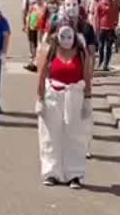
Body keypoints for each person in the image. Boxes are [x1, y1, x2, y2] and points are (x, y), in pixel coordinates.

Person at [35, 14, 93, 188]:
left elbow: (87, 76)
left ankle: (74, 174)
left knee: (75, 135)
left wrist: (88, 99)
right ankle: (51, 172)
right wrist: (39, 98)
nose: (66, 40)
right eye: (62, 36)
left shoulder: (81, 52)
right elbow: (41, 74)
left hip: (75, 96)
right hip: (53, 95)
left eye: (69, 36)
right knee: (50, 135)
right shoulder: (49, 50)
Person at [94, 0, 120, 71]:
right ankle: (100, 62)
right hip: (102, 28)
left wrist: (116, 24)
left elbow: (116, 14)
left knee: (109, 47)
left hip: (111, 28)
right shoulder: (100, 3)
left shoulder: (114, 3)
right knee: (101, 46)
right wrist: (96, 27)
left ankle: (106, 65)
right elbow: (96, 16)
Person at [24, 0, 48, 71]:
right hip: (32, 28)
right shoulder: (33, 7)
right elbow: (28, 17)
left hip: (40, 30)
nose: (38, 0)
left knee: (39, 46)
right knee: (32, 45)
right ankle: (33, 61)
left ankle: (37, 63)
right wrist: (26, 27)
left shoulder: (45, 7)